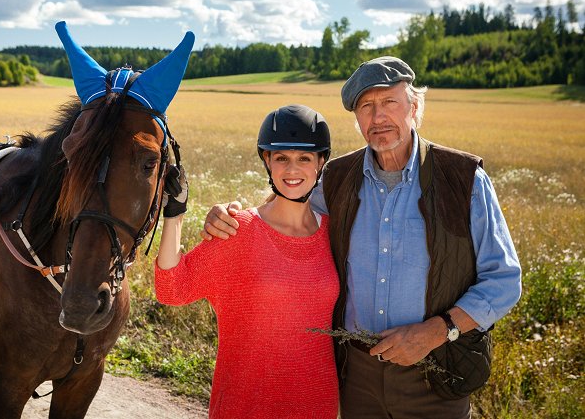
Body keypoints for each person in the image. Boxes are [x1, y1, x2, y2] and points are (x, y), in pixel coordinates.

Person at [201, 57, 522, 418]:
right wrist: (231, 217)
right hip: (356, 376)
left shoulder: (463, 180)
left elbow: (504, 281)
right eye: (367, 106)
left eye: (389, 103)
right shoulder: (337, 178)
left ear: (414, 107)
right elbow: (284, 216)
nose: (378, 117)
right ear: (356, 118)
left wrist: (437, 331)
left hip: (437, 372)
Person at [155, 104, 340, 418]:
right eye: (281, 158)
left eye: (304, 158)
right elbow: (171, 290)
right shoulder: (238, 228)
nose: (292, 170)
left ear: (321, 162)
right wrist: (175, 214)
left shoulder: (335, 233)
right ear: (267, 160)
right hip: (245, 405)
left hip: (317, 405)